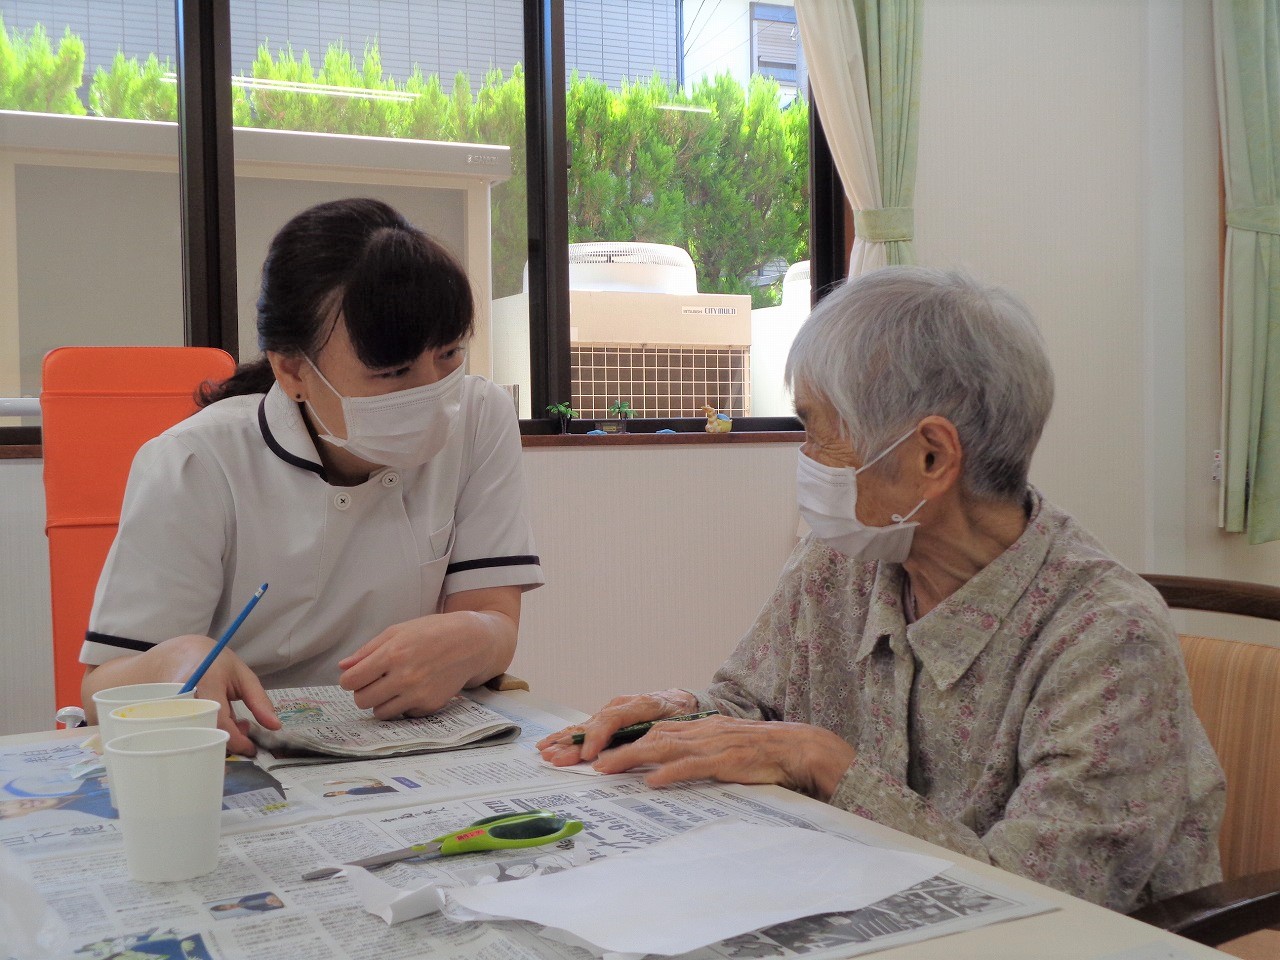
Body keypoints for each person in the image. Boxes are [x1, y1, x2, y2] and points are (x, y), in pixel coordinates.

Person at [539, 266, 1225, 913]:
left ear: (931, 456)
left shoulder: (1109, 638)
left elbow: (1043, 904)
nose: (807, 460)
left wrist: (822, 762)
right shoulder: (839, 564)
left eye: (817, 431)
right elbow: (753, 708)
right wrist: (675, 715)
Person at [81, 198, 544, 755]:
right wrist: (174, 662)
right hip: (240, 751)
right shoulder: (196, 461)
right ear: (293, 370)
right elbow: (100, 690)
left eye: (449, 354)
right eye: (393, 371)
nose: (431, 392)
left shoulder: (480, 417)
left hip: (403, 745)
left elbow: (495, 617)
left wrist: (477, 636)